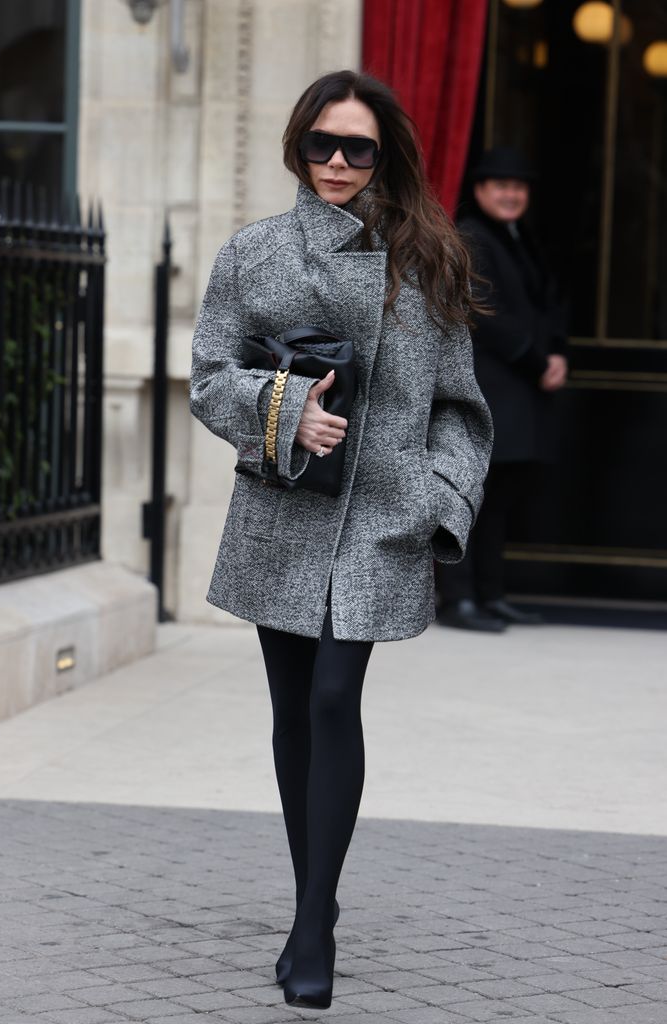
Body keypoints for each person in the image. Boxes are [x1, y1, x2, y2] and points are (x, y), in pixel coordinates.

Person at [190, 70, 493, 1010]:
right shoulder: (256, 256)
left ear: (384, 155)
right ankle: (308, 903)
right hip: (284, 512)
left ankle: (314, 922)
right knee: (291, 713)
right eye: (321, 144)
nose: (335, 163)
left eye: (356, 148)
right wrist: (285, 412)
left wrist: (438, 498)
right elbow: (209, 376)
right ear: (297, 145)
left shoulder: (430, 262)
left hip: (382, 517)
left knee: (331, 699)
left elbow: (461, 410)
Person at [437, 146, 568, 633]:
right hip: (492, 384)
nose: (512, 194)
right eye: (501, 186)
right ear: (480, 191)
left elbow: (547, 302)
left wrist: (556, 352)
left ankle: (490, 595)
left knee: (500, 499)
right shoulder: (471, 237)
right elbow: (485, 311)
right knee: (473, 497)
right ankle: (458, 599)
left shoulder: (518, 236)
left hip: (520, 388)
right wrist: (538, 361)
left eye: (519, 187)